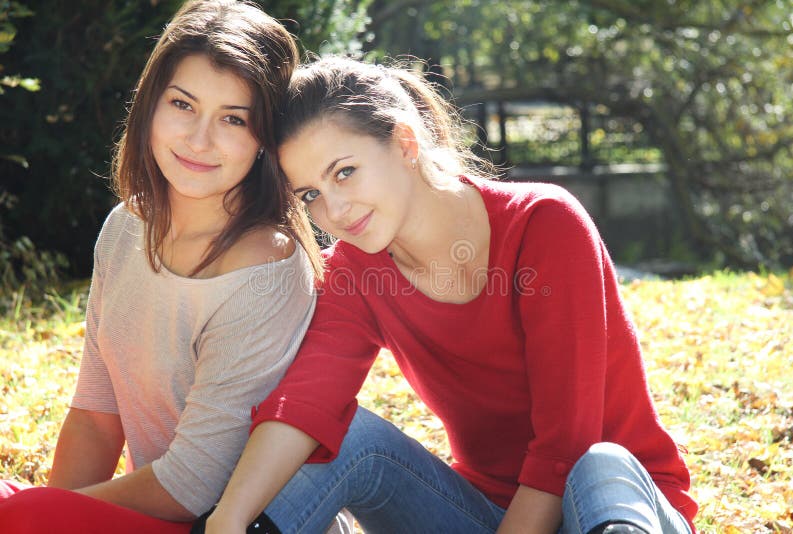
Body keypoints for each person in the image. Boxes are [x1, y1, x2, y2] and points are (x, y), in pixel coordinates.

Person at [200, 55, 699, 534]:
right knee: (351, 439)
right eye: (310, 194)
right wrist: (228, 518)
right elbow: (307, 402)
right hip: (490, 516)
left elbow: (564, 447)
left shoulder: (545, 225)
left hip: (619, 506)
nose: (333, 211)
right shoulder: (354, 272)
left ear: (405, 143)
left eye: (344, 172)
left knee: (597, 463)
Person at [0, 2, 352, 533]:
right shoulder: (125, 227)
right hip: (151, 510)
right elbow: (97, 417)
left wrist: (42, 519)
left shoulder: (266, 268)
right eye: (182, 104)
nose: (199, 139)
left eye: (234, 118)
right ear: (150, 103)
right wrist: (52, 516)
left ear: (265, 140)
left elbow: (193, 487)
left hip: (228, 523)